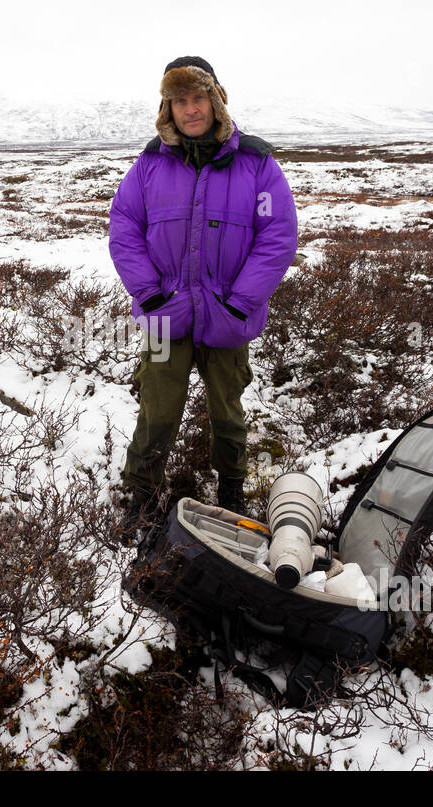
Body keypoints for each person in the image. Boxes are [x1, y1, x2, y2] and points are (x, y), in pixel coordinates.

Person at [108, 55, 298, 543]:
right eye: (180, 101)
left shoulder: (257, 164)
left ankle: (232, 489)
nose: (190, 109)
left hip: (228, 315)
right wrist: (148, 294)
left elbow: (276, 237)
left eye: (199, 98)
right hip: (164, 314)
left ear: (216, 101)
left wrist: (241, 302)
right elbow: (124, 228)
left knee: (227, 409)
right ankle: (143, 492)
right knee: (158, 408)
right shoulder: (150, 164)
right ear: (167, 108)